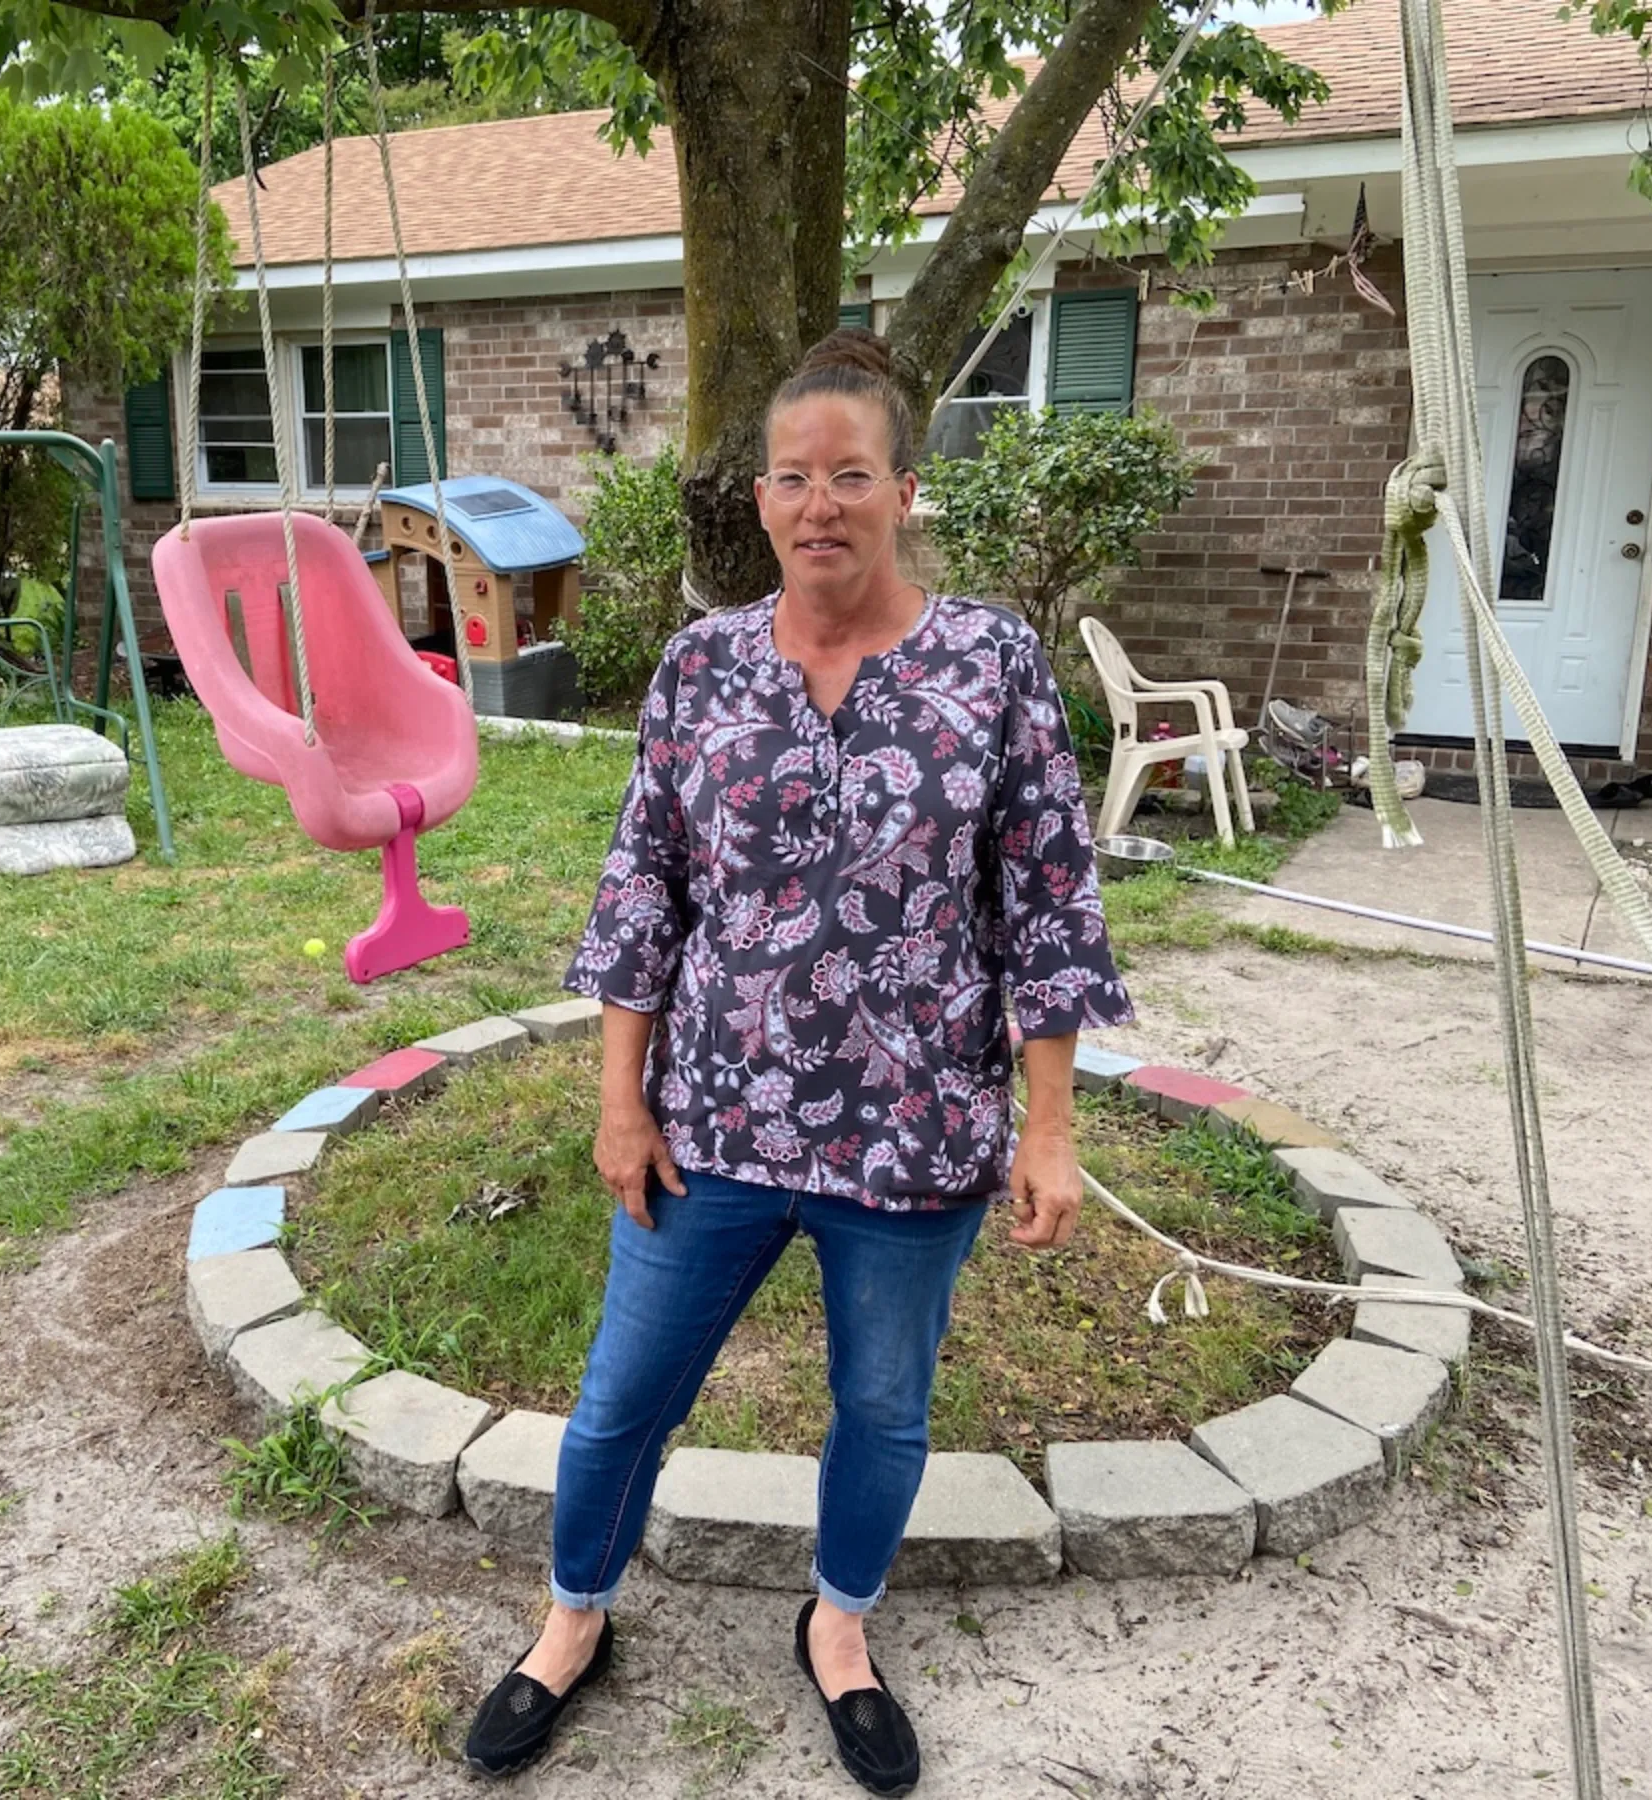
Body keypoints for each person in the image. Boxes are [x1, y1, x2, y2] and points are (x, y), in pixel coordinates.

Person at [462, 329, 1135, 1795]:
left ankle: (840, 1631)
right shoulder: (702, 667)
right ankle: (572, 1623)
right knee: (622, 1399)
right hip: (709, 1130)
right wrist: (618, 1103)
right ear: (758, 500)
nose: (817, 502)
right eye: (790, 477)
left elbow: (1048, 902)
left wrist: (1050, 1126)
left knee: (884, 1408)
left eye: (850, 474)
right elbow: (642, 892)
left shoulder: (991, 663)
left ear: (904, 489)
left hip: (911, 1138)